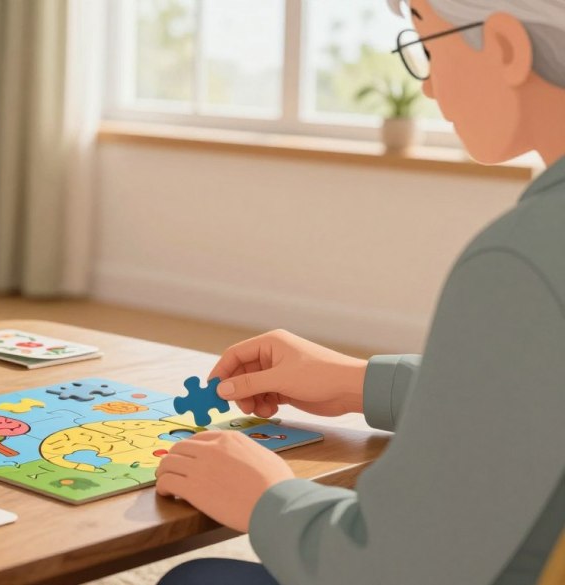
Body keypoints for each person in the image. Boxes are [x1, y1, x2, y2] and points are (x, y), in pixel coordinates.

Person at [155, 0, 565, 583]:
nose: (425, 88)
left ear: (505, 47)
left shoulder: (522, 258)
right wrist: (359, 381)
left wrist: (266, 497)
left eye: (426, 46)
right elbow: (539, 396)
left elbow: (397, 565)